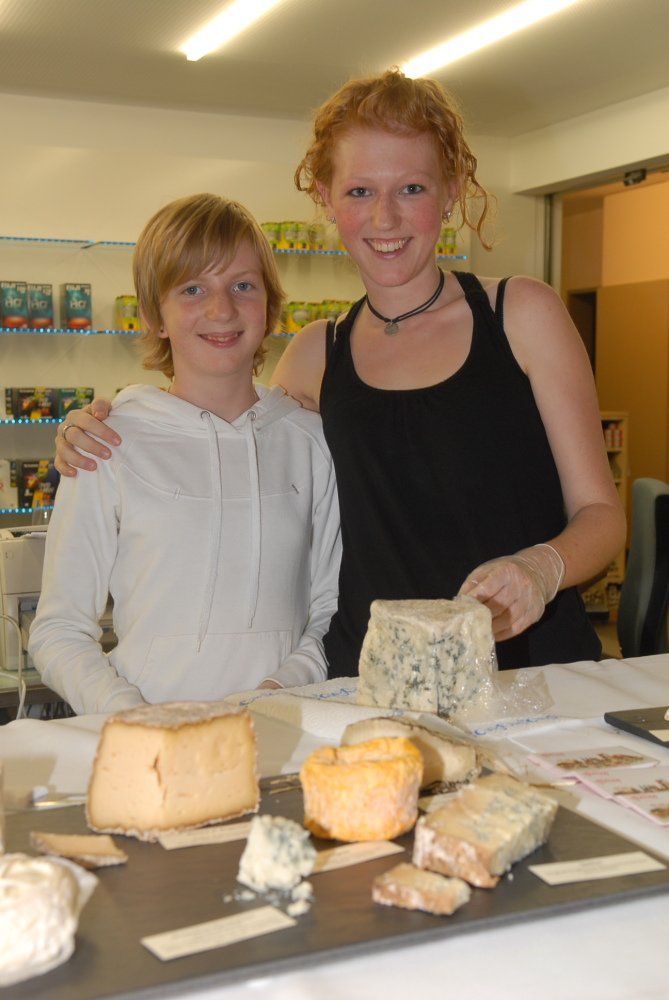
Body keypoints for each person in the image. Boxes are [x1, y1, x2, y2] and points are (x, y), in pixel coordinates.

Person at [53, 70, 625, 676]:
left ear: (451, 191)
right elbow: (229, 439)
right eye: (359, 191)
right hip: (368, 684)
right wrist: (98, 427)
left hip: (528, 674)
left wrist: (541, 568)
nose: (385, 217)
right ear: (326, 198)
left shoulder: (521, 314)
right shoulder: (315, 354)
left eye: (411, 188)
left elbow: (602, 514)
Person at [30, 193, 340, 714]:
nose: (222, 309)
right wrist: (134, 716)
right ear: (155, 316)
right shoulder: (105, 444)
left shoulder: (311, 443)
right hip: (145, 739)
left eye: (243, 285)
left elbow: (331, 609)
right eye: (193, 289)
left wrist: (278, 694)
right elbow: (59, 629)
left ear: (270, 305)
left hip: (282, 731)